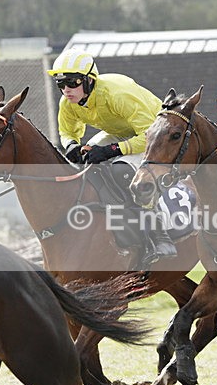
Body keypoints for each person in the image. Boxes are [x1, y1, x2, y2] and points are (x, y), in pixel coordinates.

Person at [47, 48, 176, 263]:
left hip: (158, 134)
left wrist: (111, 150)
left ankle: (158, 232)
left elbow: (148, 136)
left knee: (122, 170)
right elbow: (67, 131)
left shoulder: (117, 95)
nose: (66, 90)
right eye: (61, 84)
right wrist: (71, 146)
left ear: (89, 80)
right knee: (85, 162)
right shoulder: (67, 102)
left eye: (72, 83)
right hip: (124, 132)